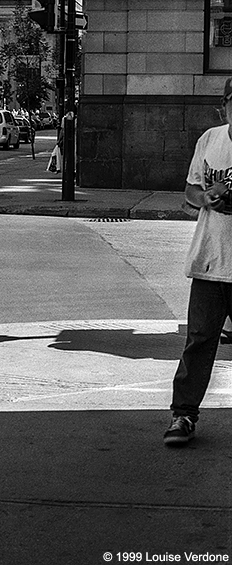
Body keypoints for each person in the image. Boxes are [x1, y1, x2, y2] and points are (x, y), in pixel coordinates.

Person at [164, 77, 232, 446]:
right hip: (210, 261)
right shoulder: (210, 140)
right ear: (224, 106)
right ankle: (183, 415)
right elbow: (190, 190)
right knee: (199, 341)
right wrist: (205, 198)